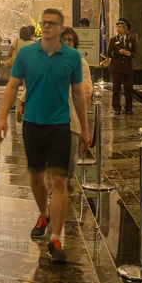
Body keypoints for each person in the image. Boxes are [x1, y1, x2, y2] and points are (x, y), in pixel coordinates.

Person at [0, 8, 89, 263]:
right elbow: (13, 86)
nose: (47, 27)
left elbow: (79, 94)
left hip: (60, 125)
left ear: (61, 28)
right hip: (32, 124)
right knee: (36, 177)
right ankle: (43, 213)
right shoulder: (26, 53)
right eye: (44, 23)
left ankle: (56, 238)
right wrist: (3, 117)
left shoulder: (71, 57)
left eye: (52, 24)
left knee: (59, 182)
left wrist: (84, 128)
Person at [60, 27, 93, 193]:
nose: (67, 42)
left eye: (70, 40)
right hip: (51, 116)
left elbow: (87, 83)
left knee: (71, 157)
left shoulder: (80, 62)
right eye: (63, 39)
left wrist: (86, 88)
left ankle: (70, 180)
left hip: (73, 115)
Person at [108, 18, 136, 115]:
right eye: (118, 27)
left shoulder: (131, 40)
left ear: (125, 29)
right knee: (116, 89)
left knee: (128, 89)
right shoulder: (113, 40)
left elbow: (135, 54)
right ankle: (116, 107)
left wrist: (129, 54)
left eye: (120, 27)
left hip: (127, 68)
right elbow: (109, 54)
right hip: (116, 68)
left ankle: (128, 108)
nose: (118, 29)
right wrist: (118, 52)